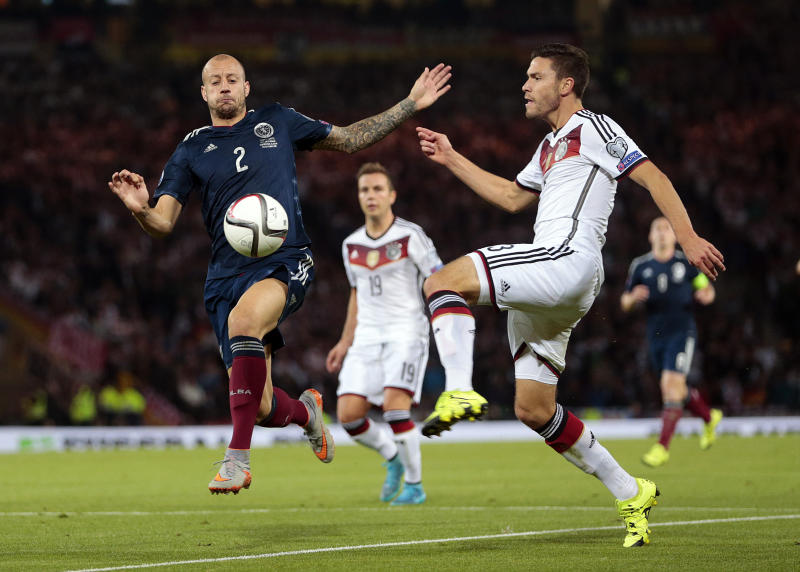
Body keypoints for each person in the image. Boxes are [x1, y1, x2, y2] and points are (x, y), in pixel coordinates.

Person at [415, 43, 725, 547]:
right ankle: (631, 490)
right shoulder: (549, 146)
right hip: (555, 280)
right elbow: (513, 197)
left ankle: (457, 388)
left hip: (566, 259)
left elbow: (654, 177)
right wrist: (452, 158)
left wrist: (687, 239)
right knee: (534, 409)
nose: (525, 85)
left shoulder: (598, 128)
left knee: (440, 282)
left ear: (566, 86)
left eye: (535, 77)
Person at [108, 54, 452, 494]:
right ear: (204, 93)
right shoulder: (190, 149)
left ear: (247, 87)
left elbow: (348, 140)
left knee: (244, 323)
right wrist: (140, 210)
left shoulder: (278, 120)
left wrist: (408, 104)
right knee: (264, 405)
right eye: (216, 81)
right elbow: (162, 224)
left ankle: (237, 460)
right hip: (224, 278)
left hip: (284, 260)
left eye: (233, 79)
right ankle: (307, 413)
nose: (225, 86)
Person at [326, 162, 442, 506]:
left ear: (392, 195)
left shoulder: (411, 236)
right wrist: (345, 341)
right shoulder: (351, 245)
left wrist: (446, 322)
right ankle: (392, 457)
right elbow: (356, 293)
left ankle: (415, 485)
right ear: (358, 197)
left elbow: (438, 278)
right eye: (364, 190)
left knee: (395, 409)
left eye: (377, 189)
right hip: (366, 336)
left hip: (406, 331)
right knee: (348, 416)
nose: (371, 195)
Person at [621, 217, 723, 467]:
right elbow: (624, 303)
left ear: (675, 236)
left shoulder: (684, 263)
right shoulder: (641, 266)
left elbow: (706, 288)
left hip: (682, 332)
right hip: (656, 336)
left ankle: (662, 447)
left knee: (670, 385)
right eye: (657, 229)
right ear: (650, 236)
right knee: (676, 389)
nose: (663, 233)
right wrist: (633, 298)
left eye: (667, 228)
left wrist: (706, 295)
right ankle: (709, 417)